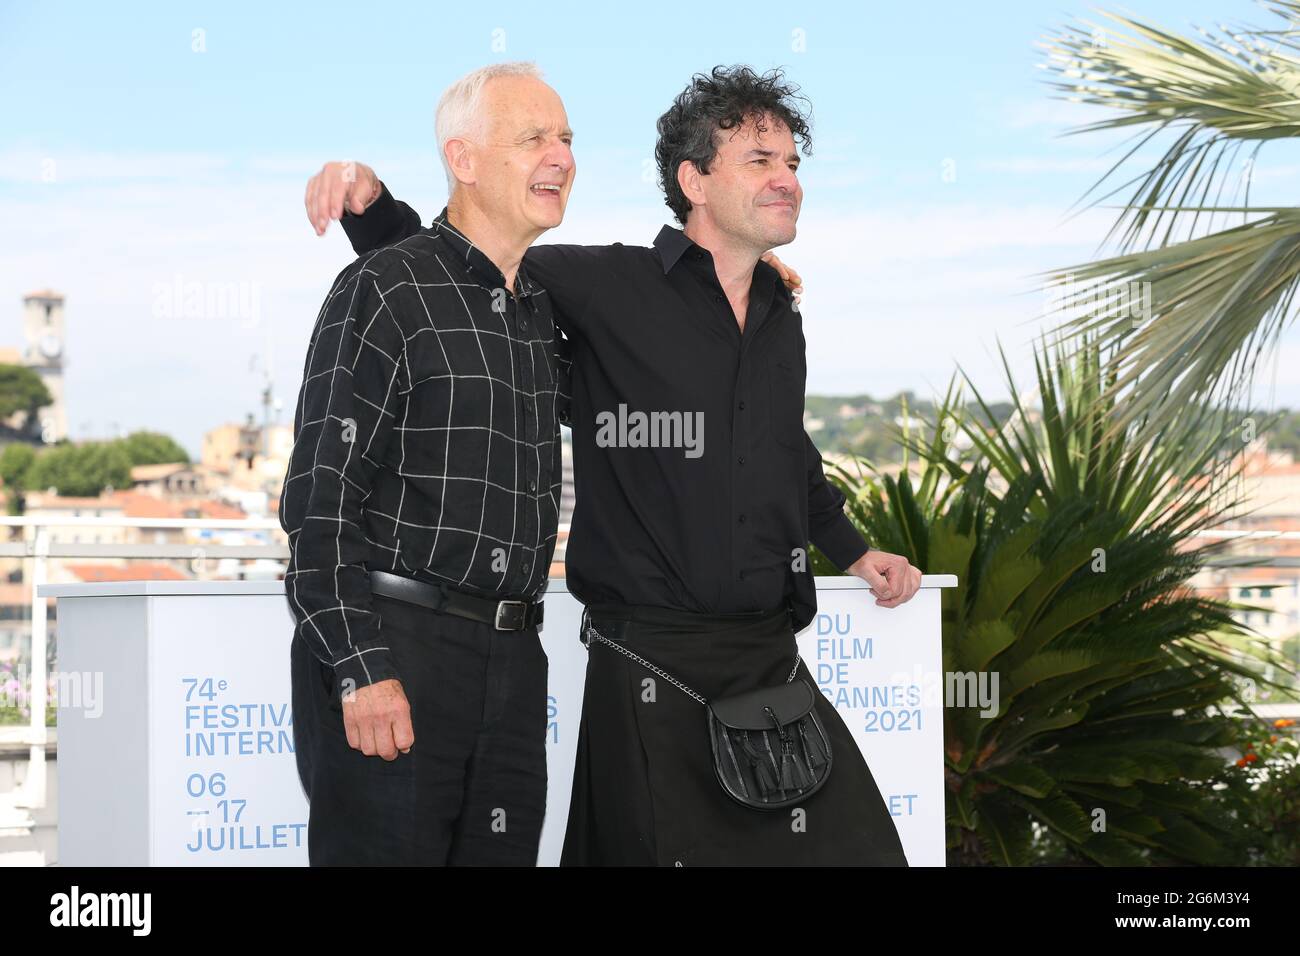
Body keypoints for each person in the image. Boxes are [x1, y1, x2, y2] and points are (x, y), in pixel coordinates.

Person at [308, 64, 923, 865]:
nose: (786, 181)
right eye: (761, 161)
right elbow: (455, 271)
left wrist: (853, 548)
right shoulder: (605, 284)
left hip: (755, 658)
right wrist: (371, 201)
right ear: (694, 181)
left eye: (793, 164)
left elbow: (780, 446)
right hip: (642, 664)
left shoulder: (779, 315)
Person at [281, 61, 574, 865]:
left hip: (515, 665)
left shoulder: (543, 311)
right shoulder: (384, 288)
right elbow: (319, 503)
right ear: (465, 159)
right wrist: (361, 667)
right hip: (396, 652)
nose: (561, 156)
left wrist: (739, 278)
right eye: (534, 138)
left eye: (567, 139)